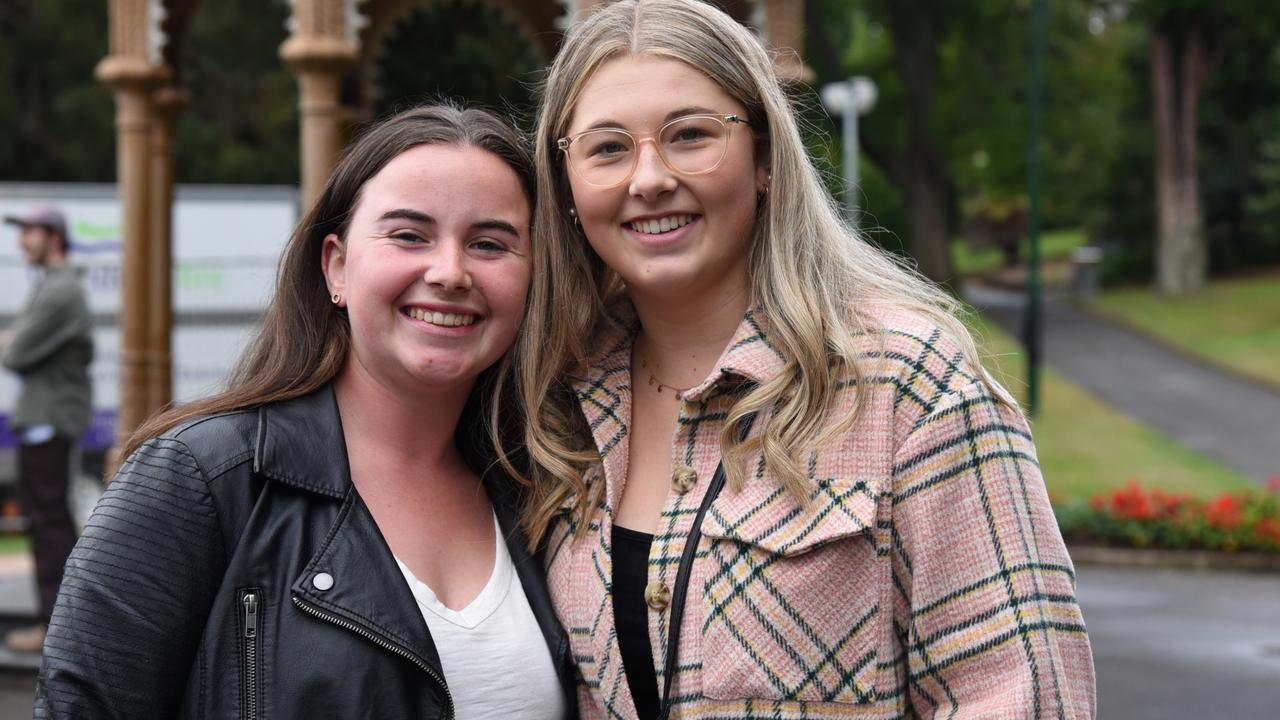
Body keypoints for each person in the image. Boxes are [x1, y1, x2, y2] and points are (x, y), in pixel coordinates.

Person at [509, 1, 1096, 718]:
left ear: (763, 157)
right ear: (565, 184)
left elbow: (1023, 698)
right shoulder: (553, 401)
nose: (650, 177)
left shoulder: (909, 385)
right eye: (607, 148)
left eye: (690, 135)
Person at [34, 104, 573, 719]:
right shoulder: (199, 479)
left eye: (489, 244)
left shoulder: (544, 494)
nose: (450, 272)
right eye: (408, 235)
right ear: (336, 267)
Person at [0, 206, 93, 654]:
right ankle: (69, 624)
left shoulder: (59, 292)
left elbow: (16, 355)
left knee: (49, 524)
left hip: (48, 421)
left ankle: (58, 628)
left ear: (54, 237)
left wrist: (12, 343)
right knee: (49, 521)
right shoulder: (56, 287)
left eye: (30, 232)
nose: (21, 241)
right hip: (46, 419)